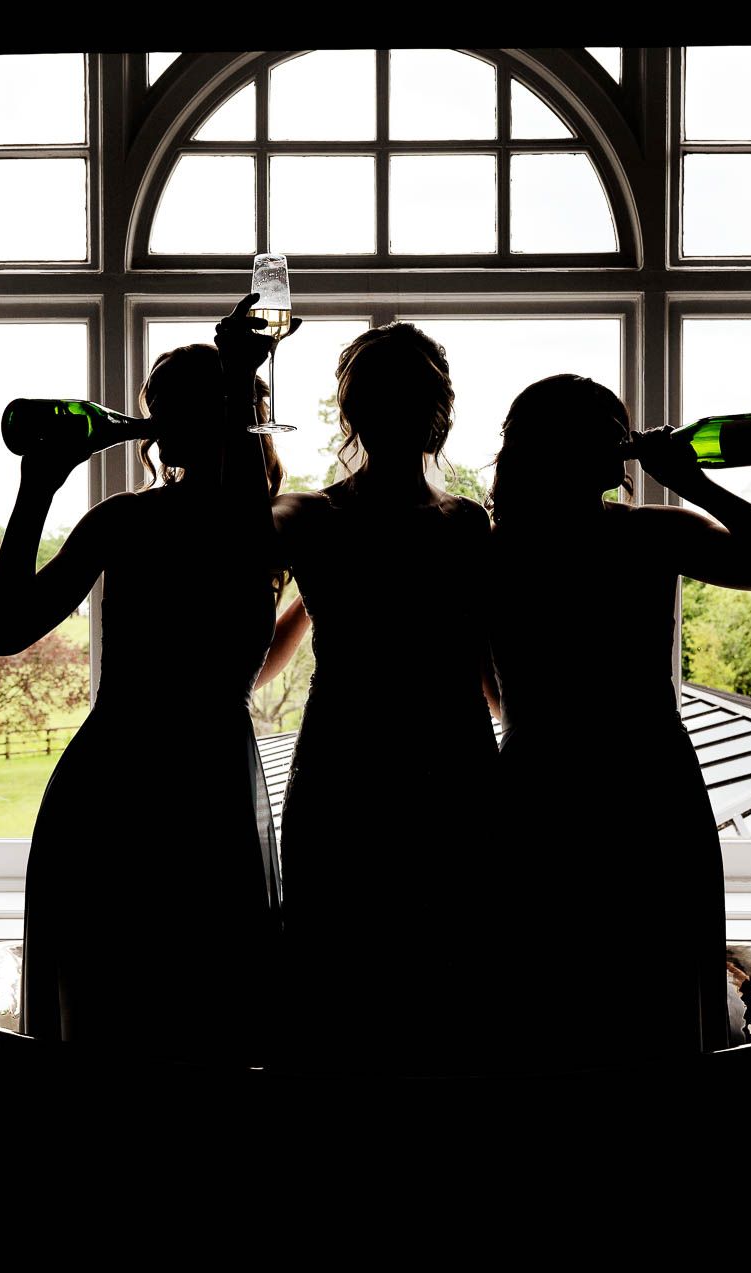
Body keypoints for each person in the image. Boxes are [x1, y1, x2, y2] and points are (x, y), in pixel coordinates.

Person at [484, 375, 751, 1068]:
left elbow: (482, 680)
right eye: (614, 428)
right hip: (647, 781)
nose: (627, 440)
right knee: (652, 990)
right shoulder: (651, 534)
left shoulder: (490, 547)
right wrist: (690, 481)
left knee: (552, 993)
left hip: (537, 782)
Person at [0, 343, 291, 1065]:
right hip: (149, 790)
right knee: (184, 1010)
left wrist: (39, 488)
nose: (151, 426)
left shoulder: (164, 520)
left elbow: (4, 631)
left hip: (132, 777)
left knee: (140, 1013)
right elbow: (6, 631)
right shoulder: (256, 526)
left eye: (165, 408)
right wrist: (40, 485)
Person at [216, 306, 502, 1071]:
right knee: (359, 973)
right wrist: (240, 375)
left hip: (426, 768)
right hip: (367, 771)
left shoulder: (331, 519)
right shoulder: (319, 517)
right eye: (397, 395)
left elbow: (488, 663)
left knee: (418, 975)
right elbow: (227, 527)